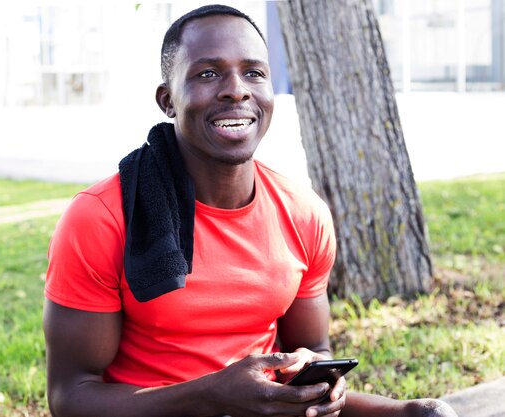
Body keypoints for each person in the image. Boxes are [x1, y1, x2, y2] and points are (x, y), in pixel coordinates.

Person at [43, 5, 457, 417]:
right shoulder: (101, 218)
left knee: (429, 413)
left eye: (254, 73)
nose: (236, 90)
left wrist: (321, 385)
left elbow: (314, 350)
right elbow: (71, 396)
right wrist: (212, 394)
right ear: (168, 101)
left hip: (266, 410)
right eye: (208, 73)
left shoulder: (304, 214)